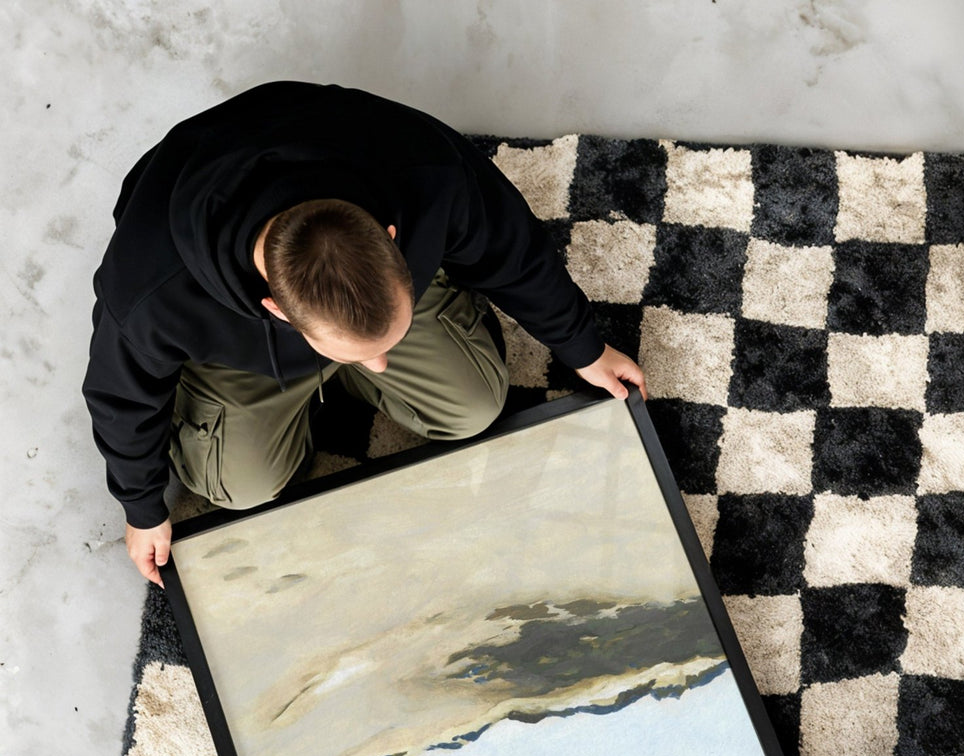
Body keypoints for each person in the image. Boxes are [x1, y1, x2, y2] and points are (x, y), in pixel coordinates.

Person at [83, 82, 647, 587]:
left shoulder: (427, 168)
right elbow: (121, 396)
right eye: (361, 355)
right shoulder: (150, 293)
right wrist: (141, 506)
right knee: (241, 488)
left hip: (362, 263)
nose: (379, 365)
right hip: (236, 356)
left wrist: (584, 346)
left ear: (393, 238)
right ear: (277, 311)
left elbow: (514, 252)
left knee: (474, 407)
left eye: (385, 345)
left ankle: (375, 331)